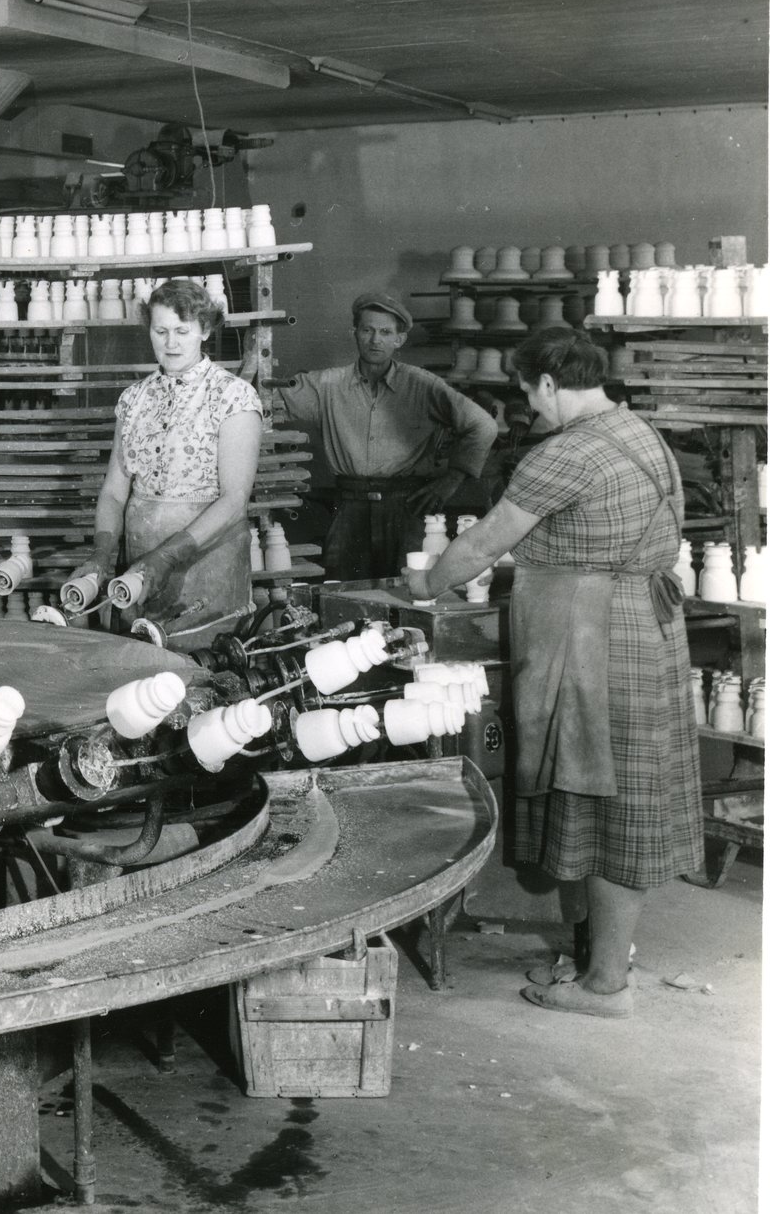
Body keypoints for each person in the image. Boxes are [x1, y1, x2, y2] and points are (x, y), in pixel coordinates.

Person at [406, 328, 699, 1018]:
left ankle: (606, 987)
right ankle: (605, 959)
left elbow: (481, 543)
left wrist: (424, 585)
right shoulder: (640, 431)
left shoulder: (561, 453)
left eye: (527, 393)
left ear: (543, 384)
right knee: (625, 800)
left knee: (599, 800)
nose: (528, 410)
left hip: (596, 636)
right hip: (648, 626)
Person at [66, 278, 261, 645]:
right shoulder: (133, 399)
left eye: (182, 331)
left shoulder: (233, 397)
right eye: (161, 331)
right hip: (142, 567)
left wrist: (167, 557)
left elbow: (234, 500)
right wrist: (102, 555)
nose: (170, 343)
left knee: (202, 665)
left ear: (205, 330)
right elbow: (113, 492)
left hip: (206, 563)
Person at [281, 293, 498, 579]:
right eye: (367, 330)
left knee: (408, 589)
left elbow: (483, 426)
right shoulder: (327, 384)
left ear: (400, 339)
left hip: (406, 508)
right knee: (343, 593)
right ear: (355, 333)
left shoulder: (422, 385)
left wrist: (451, 481)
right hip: (349, 508)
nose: (375, 340)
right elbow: (268, 400)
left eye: (385, 332)